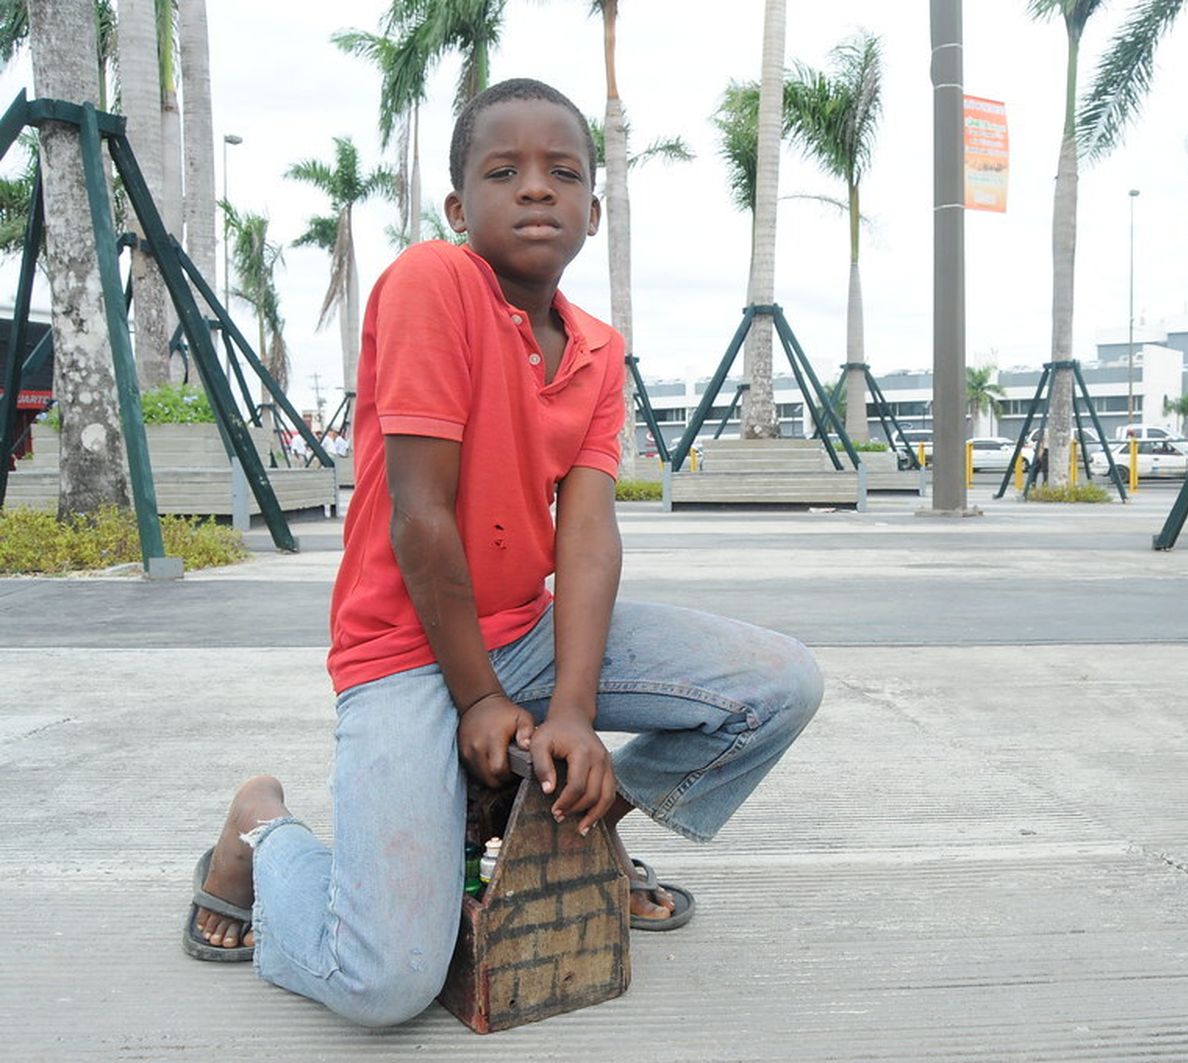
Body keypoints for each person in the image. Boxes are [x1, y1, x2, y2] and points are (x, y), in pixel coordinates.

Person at [182, 78, 823, 1027]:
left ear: (593, 213)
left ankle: (554, 838)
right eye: (504, 170)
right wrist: (479, 698)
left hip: (522, 639)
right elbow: (421, 515)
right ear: (457, 205)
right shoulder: (433, 284)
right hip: (404, 653)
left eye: (563, 173)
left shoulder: (599, 352)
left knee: (779, 684)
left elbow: (590, 532)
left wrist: (569, 710)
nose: (535, 189)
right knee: (382, 982)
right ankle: (260, 831)